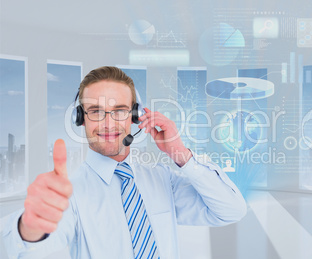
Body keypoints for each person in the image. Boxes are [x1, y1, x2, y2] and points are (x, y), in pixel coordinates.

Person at [2, 66, 247, 259]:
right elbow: (20, 249)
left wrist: (181, 154)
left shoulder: (163, 179)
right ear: (81, 119)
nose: (108, 124)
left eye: (119, 110)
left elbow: (230, 210)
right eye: (95, 111)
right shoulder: (71, 194)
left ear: (134, 117)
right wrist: (29, 227)